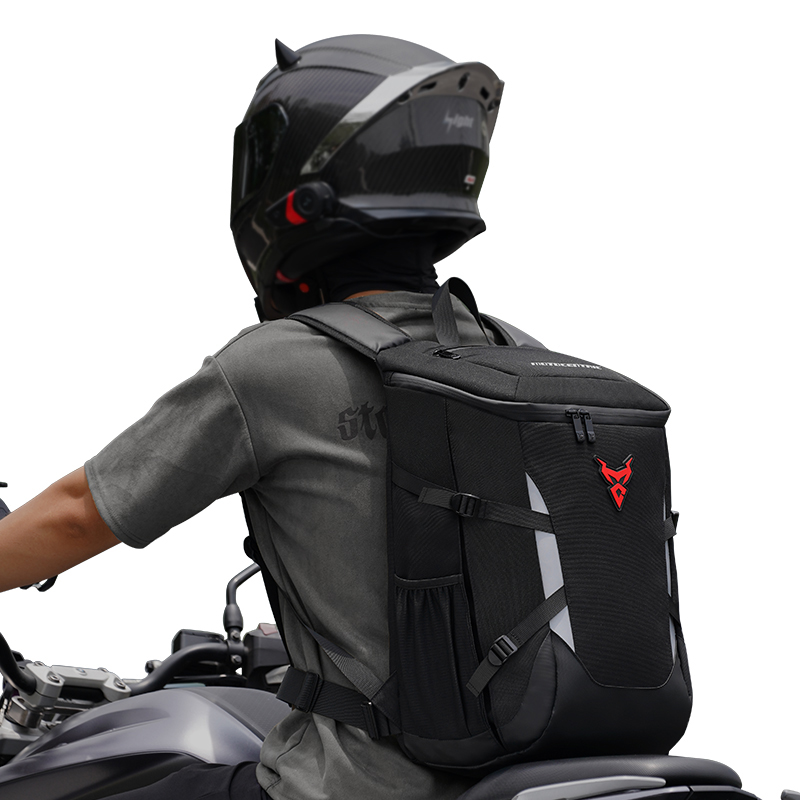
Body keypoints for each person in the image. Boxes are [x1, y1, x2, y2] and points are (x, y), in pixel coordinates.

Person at [0, 34, 505, 800]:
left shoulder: (277, 366)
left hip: (353, 784)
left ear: (292, 188)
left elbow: (78, 514)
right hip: (524, 767)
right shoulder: (518, 357)